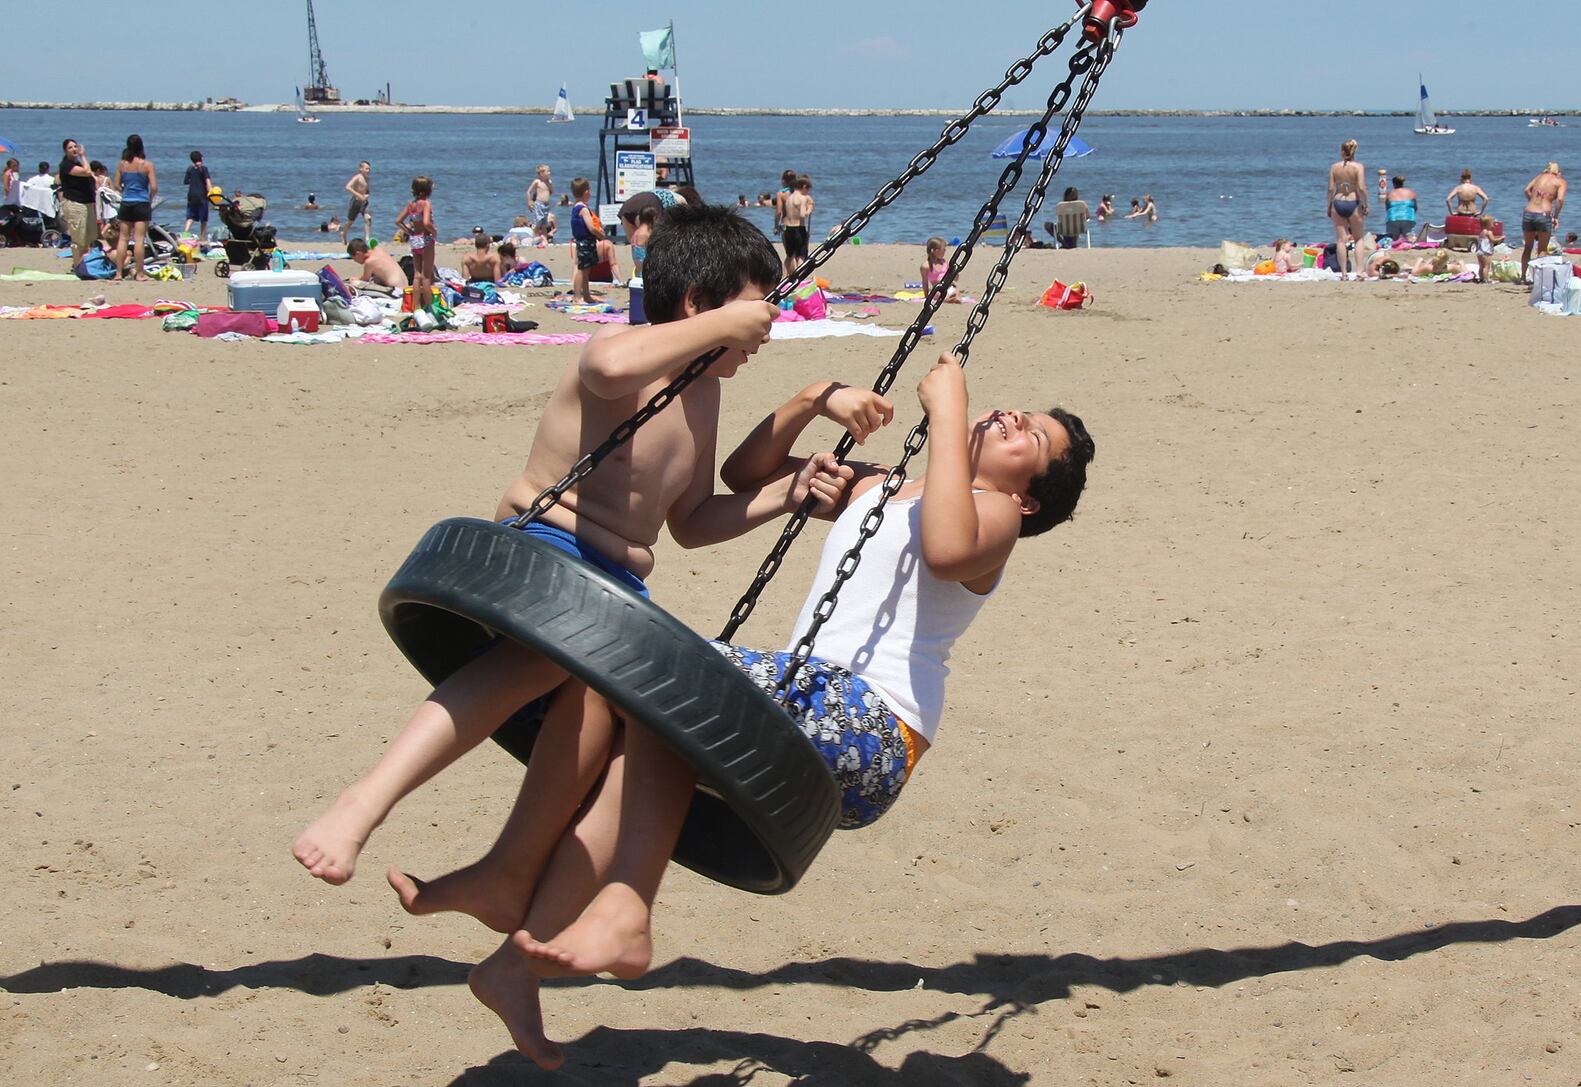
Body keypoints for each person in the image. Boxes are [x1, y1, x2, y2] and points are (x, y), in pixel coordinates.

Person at [397, 355, 1094, 1068]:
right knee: (617, 696)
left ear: (1030, 499)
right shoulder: (885, 485)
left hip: (871, 729)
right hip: (806, 703)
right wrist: (813, 399)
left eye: (1031, 437)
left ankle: (611, 902)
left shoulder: (994, 515)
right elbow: (745, 473)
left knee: (650, 662)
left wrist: (948, 411)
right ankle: (517, 952)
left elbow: (946, 550)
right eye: (1020, 412)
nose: (1013, 419)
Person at [292, 205, 786, 888]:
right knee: (539, 662)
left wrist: (787, 496)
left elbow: (693, 520)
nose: (767, 327)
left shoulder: (705, 395)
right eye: (758, 309)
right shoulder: (629, 350)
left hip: (618, 591)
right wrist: (720, 327)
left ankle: (510, 873)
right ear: (699, 304)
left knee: (592, 716)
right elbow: (605, 366)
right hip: (547, 553)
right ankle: (366, 800)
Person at [110, 134, 156, 282]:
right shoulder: (147, 165)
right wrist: (149, 198)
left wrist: (125, 191)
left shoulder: (122, 165)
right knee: (139, 239)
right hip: (141, 202)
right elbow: (154, 187)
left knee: (123, 239)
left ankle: (118, 273)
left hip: (126, 203)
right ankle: (140, 273)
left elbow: (116, 185)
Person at [1326, 139, 1368, 276]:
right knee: (1358, 238)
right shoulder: (1358, 167)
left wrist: (1328, 205)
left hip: (1338, 201)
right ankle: (1359, 272)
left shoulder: (1334, 167)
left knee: (1340, 240)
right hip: (1353, 201)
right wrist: (1366, 203)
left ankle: (1344, 273)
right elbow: (1361, 188)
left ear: (1342, 152)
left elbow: (1330, 189)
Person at [1521, 162, 1567, 284]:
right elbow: (1560, 199)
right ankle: (1538, 279)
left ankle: (1523, 277)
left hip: (1529, 212)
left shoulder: (1539, 177)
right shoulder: (1560, 181)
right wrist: (1556, 216)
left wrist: (1532, 201)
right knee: (1542, 249)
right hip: (1543, 214)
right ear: (1558, 172)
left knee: (1527, 247)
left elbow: (1526, 190)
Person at [396, 176, 437, 312]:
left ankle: (417, 306)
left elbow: (398, 221)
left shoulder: (411, 205)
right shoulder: (426, 204)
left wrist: (409, 231)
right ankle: (430, 307)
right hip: (425, 239)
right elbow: (426, 222)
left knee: (417, 275)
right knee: (426, 277)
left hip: (415, 239)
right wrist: (434, 231)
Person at [57, 138, 99, 264]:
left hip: (87, 203)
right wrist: (83, 156)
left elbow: (90, 176)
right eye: (70, 148)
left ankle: (86, 263)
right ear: (65, 151)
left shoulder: (79, 164)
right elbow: (87, 172)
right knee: (79, 238)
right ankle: (77, 264)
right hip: (75, 203)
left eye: (75, 146)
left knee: (90, 236)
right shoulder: (66, 165)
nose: (74, 149)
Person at [568, 177, 605, 304]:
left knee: (586, 270)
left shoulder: (576, 206)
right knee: (582, 269)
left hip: (584, 241)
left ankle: (586, 295)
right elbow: (591, 227)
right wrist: (600, 235)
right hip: (585, 242)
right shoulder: (583, 209)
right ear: (586, 192)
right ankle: (578, 296)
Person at [779, 175, 814, 277]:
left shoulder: (789, 198)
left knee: (790, 256)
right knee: (801, 255)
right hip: (798, 228)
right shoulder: (802, 198)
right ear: (804, 186)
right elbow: (803, 215)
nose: (808, 192)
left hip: (789, 228)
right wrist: (809, 209)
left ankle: (785, 276)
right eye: (808, 190)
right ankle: (800, 277)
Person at [183, 151, 211, 238]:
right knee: (203, 219)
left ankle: (185, 235)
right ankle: (203, 238)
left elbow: (185, 181)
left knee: (190, 217)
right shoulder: (204, 169)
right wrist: (211, 193)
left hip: (191, 196)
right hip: (202, 196)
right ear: (201, 158)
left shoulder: (190, 169)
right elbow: (207, 182)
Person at [343, 161, 372, 246]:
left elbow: (367, 190)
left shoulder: (367, 179)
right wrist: (358, 195)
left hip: (364, 202)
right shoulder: (357, 177)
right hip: (355, 202)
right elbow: (347, 187)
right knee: (350, 221)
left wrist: (366, 195)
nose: (368, 171)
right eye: (366, 169)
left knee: (368, 218)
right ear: (361, 169)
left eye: (369, 169)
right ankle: (344, 234)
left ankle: (367, 239)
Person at [525, 164, 555, 241]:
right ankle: (534, 238)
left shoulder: (549, 182)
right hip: (539, 204)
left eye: (549, 171)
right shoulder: (537, 182)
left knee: (544, 224)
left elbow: (552, 191)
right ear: (541, 173)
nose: (549, 173)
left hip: (546, 205)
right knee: (538, 222)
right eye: (547, 171)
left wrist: (549, 183)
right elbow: (528, 192)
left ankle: (544, 239)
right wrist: (529, 202)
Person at [1384, 175, 1418, 241]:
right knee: (1410, 240)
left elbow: (1387, 209)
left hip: (1393, 218)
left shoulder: (1390, 194)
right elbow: (1415, 208)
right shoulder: (1411, 193)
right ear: (1402, 183)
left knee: (1391, 240)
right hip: (1408, 218)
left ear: (1394, 184)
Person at [773, 169, 797, 238]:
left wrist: (776, 226)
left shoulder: (781, 193)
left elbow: (778, 212)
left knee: (788, 245)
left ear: (783, 181)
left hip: (787, 225)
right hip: (800, 225)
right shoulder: (800, 192)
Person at [1476, 216, 1496, 285]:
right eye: (1492, 223)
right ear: (1487, 224)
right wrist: (1501, 238)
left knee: (1481, 267)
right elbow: (1493, 240)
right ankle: (1485, 280)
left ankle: (1481, 279)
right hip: (1486, 253)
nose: (1493, 224)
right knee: (1486, 267)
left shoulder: (1482, 232)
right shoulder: (1489, 232)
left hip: (1479, 252)